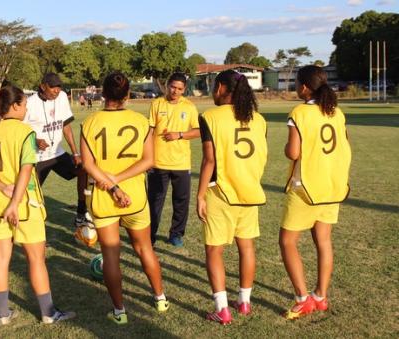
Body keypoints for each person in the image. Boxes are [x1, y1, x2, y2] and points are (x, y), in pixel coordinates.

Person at [0, 85, 76, 325]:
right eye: (24, 105)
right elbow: (26, 170)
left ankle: (2, 314)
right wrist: (14, 202)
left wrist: (1, 187)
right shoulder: (25, 133)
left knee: (0, 257)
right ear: (15, 106)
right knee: (36, 259)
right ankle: (48, 313)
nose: (27, 108)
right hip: (24, 204)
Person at [80, 72, 168, 325]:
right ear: (128, 94)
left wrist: (112, 184)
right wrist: (120, 180)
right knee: (144, 248)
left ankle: (120, 312)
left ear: (102, 94)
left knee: (110, 255)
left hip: (105, 197)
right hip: (136, 198)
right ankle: (160, 298)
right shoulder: (141, 121)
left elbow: (87, 164)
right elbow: (149, 161)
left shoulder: (90, 122)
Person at [279, 65, 351, 320]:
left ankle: (302, 297)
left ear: (305, 87)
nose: (295, 87)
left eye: (297, 83)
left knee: (287, 242)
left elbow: (294, 153)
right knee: (323, 242)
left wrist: (287, 149)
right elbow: (345, 144)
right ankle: (320, 296)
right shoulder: (336, 112)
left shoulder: (299, 112)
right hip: (332, 187)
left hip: (306, 188)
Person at [196, 70, 267, 325]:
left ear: (222, 88)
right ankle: (245, 302)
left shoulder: (210, 116)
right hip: (249, 191)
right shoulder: (258, 119)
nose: (214, 91)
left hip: (221, 192)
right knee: (246, 247)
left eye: (216, 86)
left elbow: (209, 159)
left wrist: (201, 194)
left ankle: (222, 309)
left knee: (214, 250)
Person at [24, 73, 91, 228]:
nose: (56, 90)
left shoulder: (61, 97)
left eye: (59, 86)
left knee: (83, 171)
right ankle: (28, 228)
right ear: (42, 86)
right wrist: (35, 140)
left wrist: (75, 153)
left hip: (57, 154)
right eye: (53, 87)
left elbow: (65, 126)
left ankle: (81, 214)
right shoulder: (29, 103)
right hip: (37, 157)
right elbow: (20, 130)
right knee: (30, 194)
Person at [148, 73, 200, 247]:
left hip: (181, 162)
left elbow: (198, 130)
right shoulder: (156, 104)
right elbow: (150, 131)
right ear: (167, 85)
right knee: (155, 201)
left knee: (181, 201)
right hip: (158, 162)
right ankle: (150, 235)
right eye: (172, 87)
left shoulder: (190, 107)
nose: (175, 91)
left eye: (179, 88)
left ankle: (176, 234)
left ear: (184, 89)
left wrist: (179, 135)